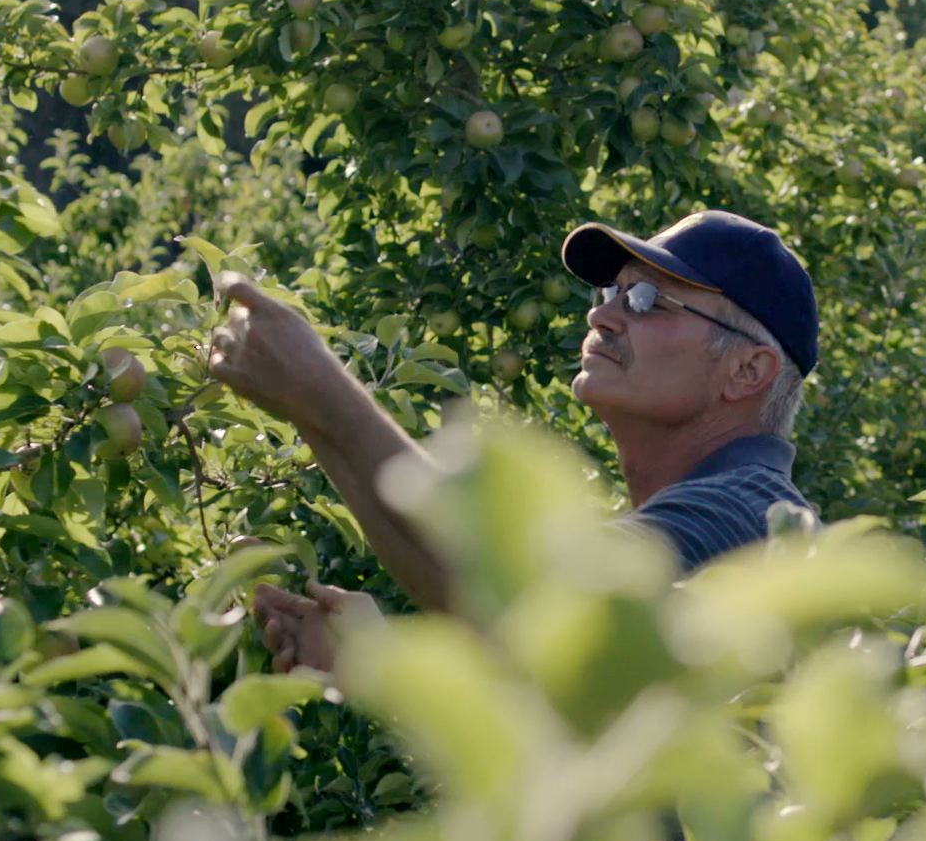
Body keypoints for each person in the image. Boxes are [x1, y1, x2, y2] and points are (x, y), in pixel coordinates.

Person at [209, 210, 820, 673]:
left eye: (646, 300)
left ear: (747, 371)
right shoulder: (686, 525)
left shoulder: (752, 514)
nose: (602, 316)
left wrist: (319, 389)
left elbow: (526, 599)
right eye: (610, 294)